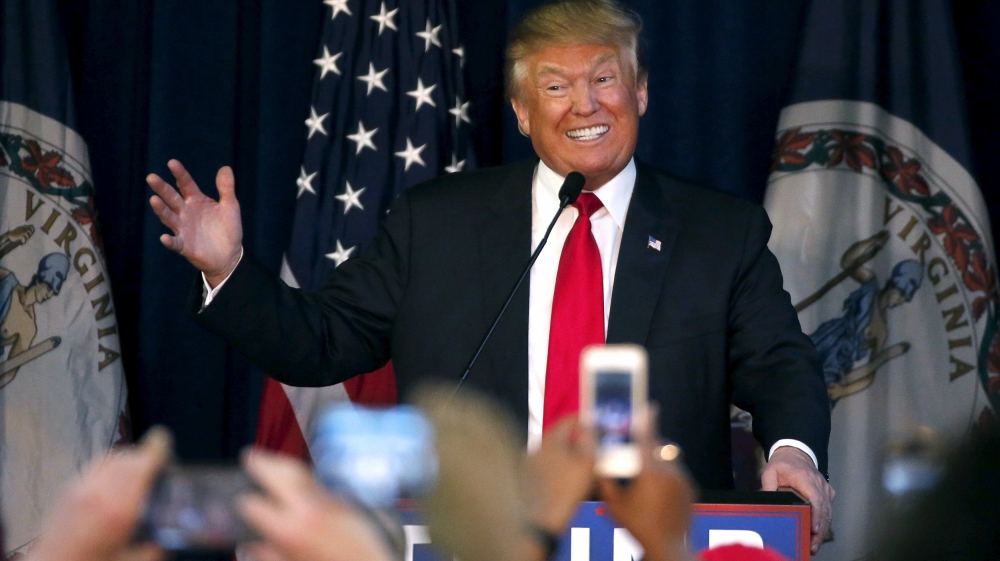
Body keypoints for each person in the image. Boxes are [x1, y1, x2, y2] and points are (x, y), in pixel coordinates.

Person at [146, 0, 833, 551]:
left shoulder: (719, 233)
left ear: (641, 93)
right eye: (556, 87)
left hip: (652, 537)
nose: (585, 105)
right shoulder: (436, 224)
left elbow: (780, 363)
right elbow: (323, 340)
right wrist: (228, 268)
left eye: (604, 78)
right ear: (523, 112)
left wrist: (794, 453)